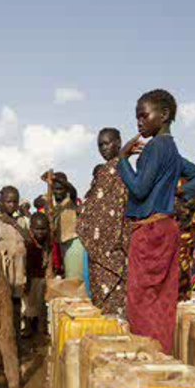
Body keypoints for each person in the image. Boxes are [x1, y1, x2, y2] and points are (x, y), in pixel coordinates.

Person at [117, 89, 195, 353]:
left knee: (141, 299)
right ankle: (164, 354)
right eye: (137, 117)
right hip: (167, 227)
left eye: (144, 116)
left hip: (149, 232)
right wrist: (177, 191)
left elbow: (139, 189)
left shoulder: (156, 147)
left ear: (164, 114)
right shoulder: (171, 148)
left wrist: (123, 160)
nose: (139, 123)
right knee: (162, 299)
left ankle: (148, 357)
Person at [77, 127, 130, 316]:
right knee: (103, 301)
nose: (104, 148)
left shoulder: (120, 170)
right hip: (100, 248)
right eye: (101, 144)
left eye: (108, 143)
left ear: (119, 142)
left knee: (116, 303)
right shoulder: (104, 172)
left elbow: (116, 209)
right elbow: (95, 207)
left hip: (113, 247)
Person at [0, 185, 28, 335]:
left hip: (19, 268)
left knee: (17, 302)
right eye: (8, 201)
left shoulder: (21, 221)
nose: (11, 205)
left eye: (14, 202)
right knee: (5, 302)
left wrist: (13, 223)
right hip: (5, 268)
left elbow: (28, 238)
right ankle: (6, 333)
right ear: (1, 202)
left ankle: (16, 333)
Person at [47, 172, 86, 280]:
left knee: (75, 277)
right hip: (62, 244)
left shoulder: (70, 201)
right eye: (55, 189)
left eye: (60, 189)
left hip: (74, 242)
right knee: (68, 276)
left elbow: (73, 190)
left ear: (66, 189)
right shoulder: (53, 205)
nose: (57, 192)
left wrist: (57, 179)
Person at [22, 212, 52, 336]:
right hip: (31, 278)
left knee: (41, 307)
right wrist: (27, 281)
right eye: (37, 229)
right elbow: (26, 265)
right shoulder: (28, 244)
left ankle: (41, 330)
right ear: (31, 229)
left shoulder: (48, 243)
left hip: (42, 278)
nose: (40, 232)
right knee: (30, 306)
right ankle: (29, 329)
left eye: (43, 229)